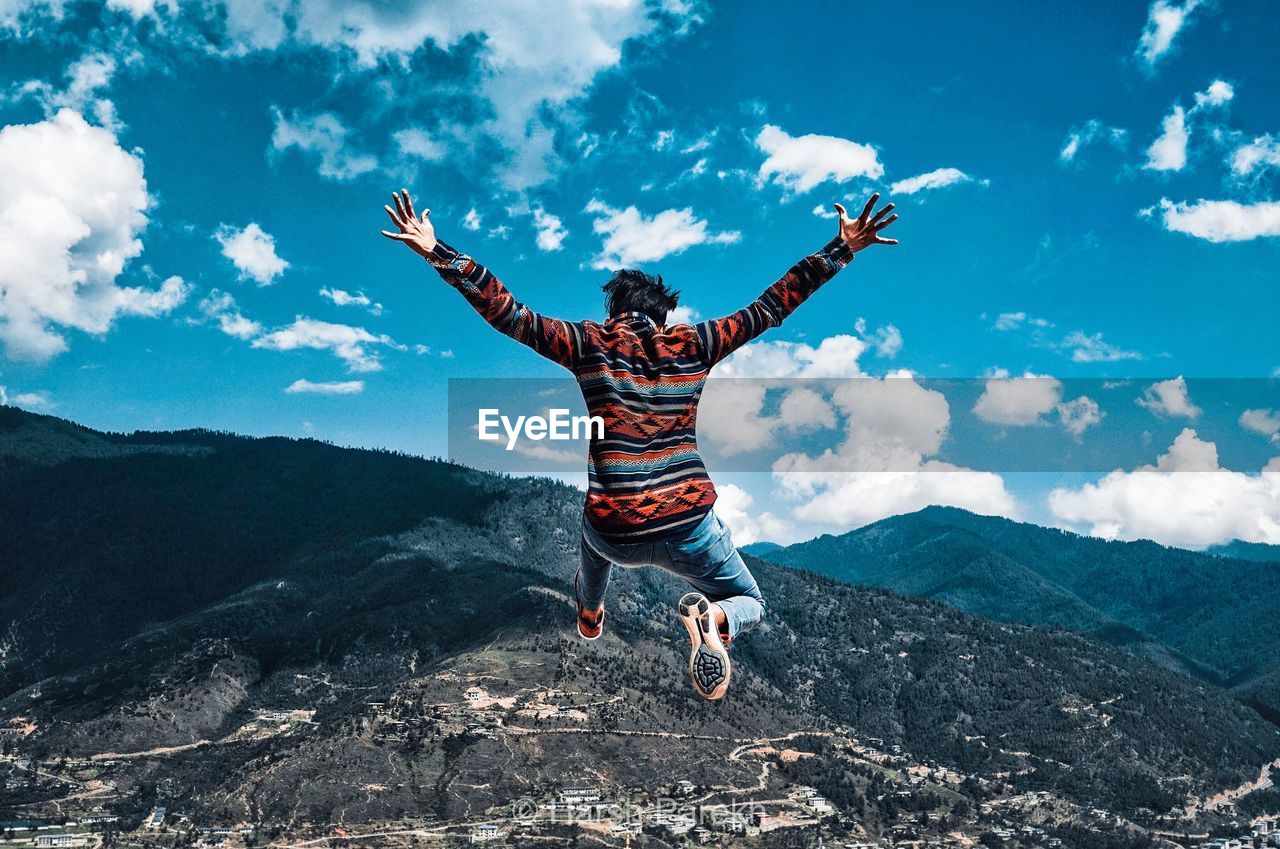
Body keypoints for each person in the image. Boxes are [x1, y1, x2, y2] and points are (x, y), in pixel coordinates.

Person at [382, 190, 898, 700]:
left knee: (592, 529)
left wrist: (437, 250)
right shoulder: (696, 343)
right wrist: (841, 248)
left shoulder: (591, 344)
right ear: (663, 317)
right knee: (750, 599)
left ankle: (589, 611)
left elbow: (510, 313)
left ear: (614, 312)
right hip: (689, 523)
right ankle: (718, 619)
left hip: (616, 530)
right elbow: (770, 307)